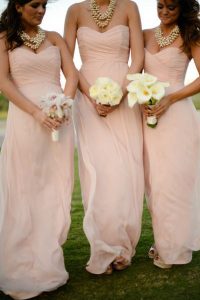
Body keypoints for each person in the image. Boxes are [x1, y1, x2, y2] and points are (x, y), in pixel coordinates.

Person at [0, 0, 78, 298]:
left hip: (60, 120)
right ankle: (20, 262)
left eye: (44, 5)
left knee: (54, 186)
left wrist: (64, 104)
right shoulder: (4, 38)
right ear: (18, 6)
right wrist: (36, 112)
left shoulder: (55, 39)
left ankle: (48, 259)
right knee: (25, 187)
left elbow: (71, 76)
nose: (41, 10)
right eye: (35, 4)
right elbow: (3, 81)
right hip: (27, 119)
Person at [64, 0, 144, 275]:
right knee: (98, 169)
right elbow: (68, 61)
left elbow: (139, 58)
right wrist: (90, 96)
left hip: (125, 95)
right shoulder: (74, 11)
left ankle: (122, 247)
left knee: (125, 170)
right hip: (88, 100)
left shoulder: (129, 7)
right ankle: (102, 248)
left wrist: (121, 93)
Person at [143, 0, 200, 269]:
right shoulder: (144, 35)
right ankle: (163, 240)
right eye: (160, 6)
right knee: (155, 182)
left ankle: (175, 247)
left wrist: (170, 98)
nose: (164, 13)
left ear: (183, 8)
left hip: (177, 115)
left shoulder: (192, 35)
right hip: (148, 116)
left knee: (175, 181)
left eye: (171, 8)